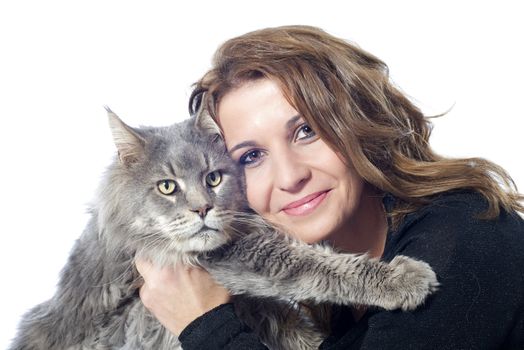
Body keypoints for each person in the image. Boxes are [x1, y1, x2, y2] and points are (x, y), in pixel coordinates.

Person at [135, 25, 524, 349]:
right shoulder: (337, 294)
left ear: (358, 123)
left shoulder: (466, 237)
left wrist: (206, 324)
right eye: (251, 157)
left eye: (307, 131)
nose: (290, 177)